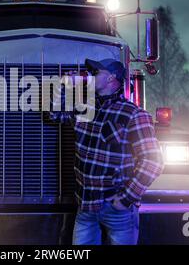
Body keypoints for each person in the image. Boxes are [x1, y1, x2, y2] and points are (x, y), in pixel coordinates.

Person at [49, 58, 164, 245]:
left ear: (112, 78)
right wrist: (62, 85)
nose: (90, 77)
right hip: (86, 206)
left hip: (117, 209)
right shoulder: (85, 107)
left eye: (96, 73)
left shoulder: (134, 114)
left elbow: (153, 161)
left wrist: (125, 199)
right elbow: (54, 114)